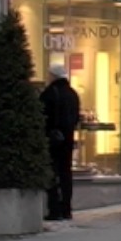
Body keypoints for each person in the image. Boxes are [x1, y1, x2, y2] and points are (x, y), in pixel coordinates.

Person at [40, 64, 80, 221]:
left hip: (52, 139)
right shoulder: (73, 94)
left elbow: (42, 115)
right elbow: (76, 117)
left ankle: (54, 209)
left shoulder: (50, 93)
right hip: (68, 138)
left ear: (52, 76)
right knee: (65, 172)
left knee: (52, 172)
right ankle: (66, 208)